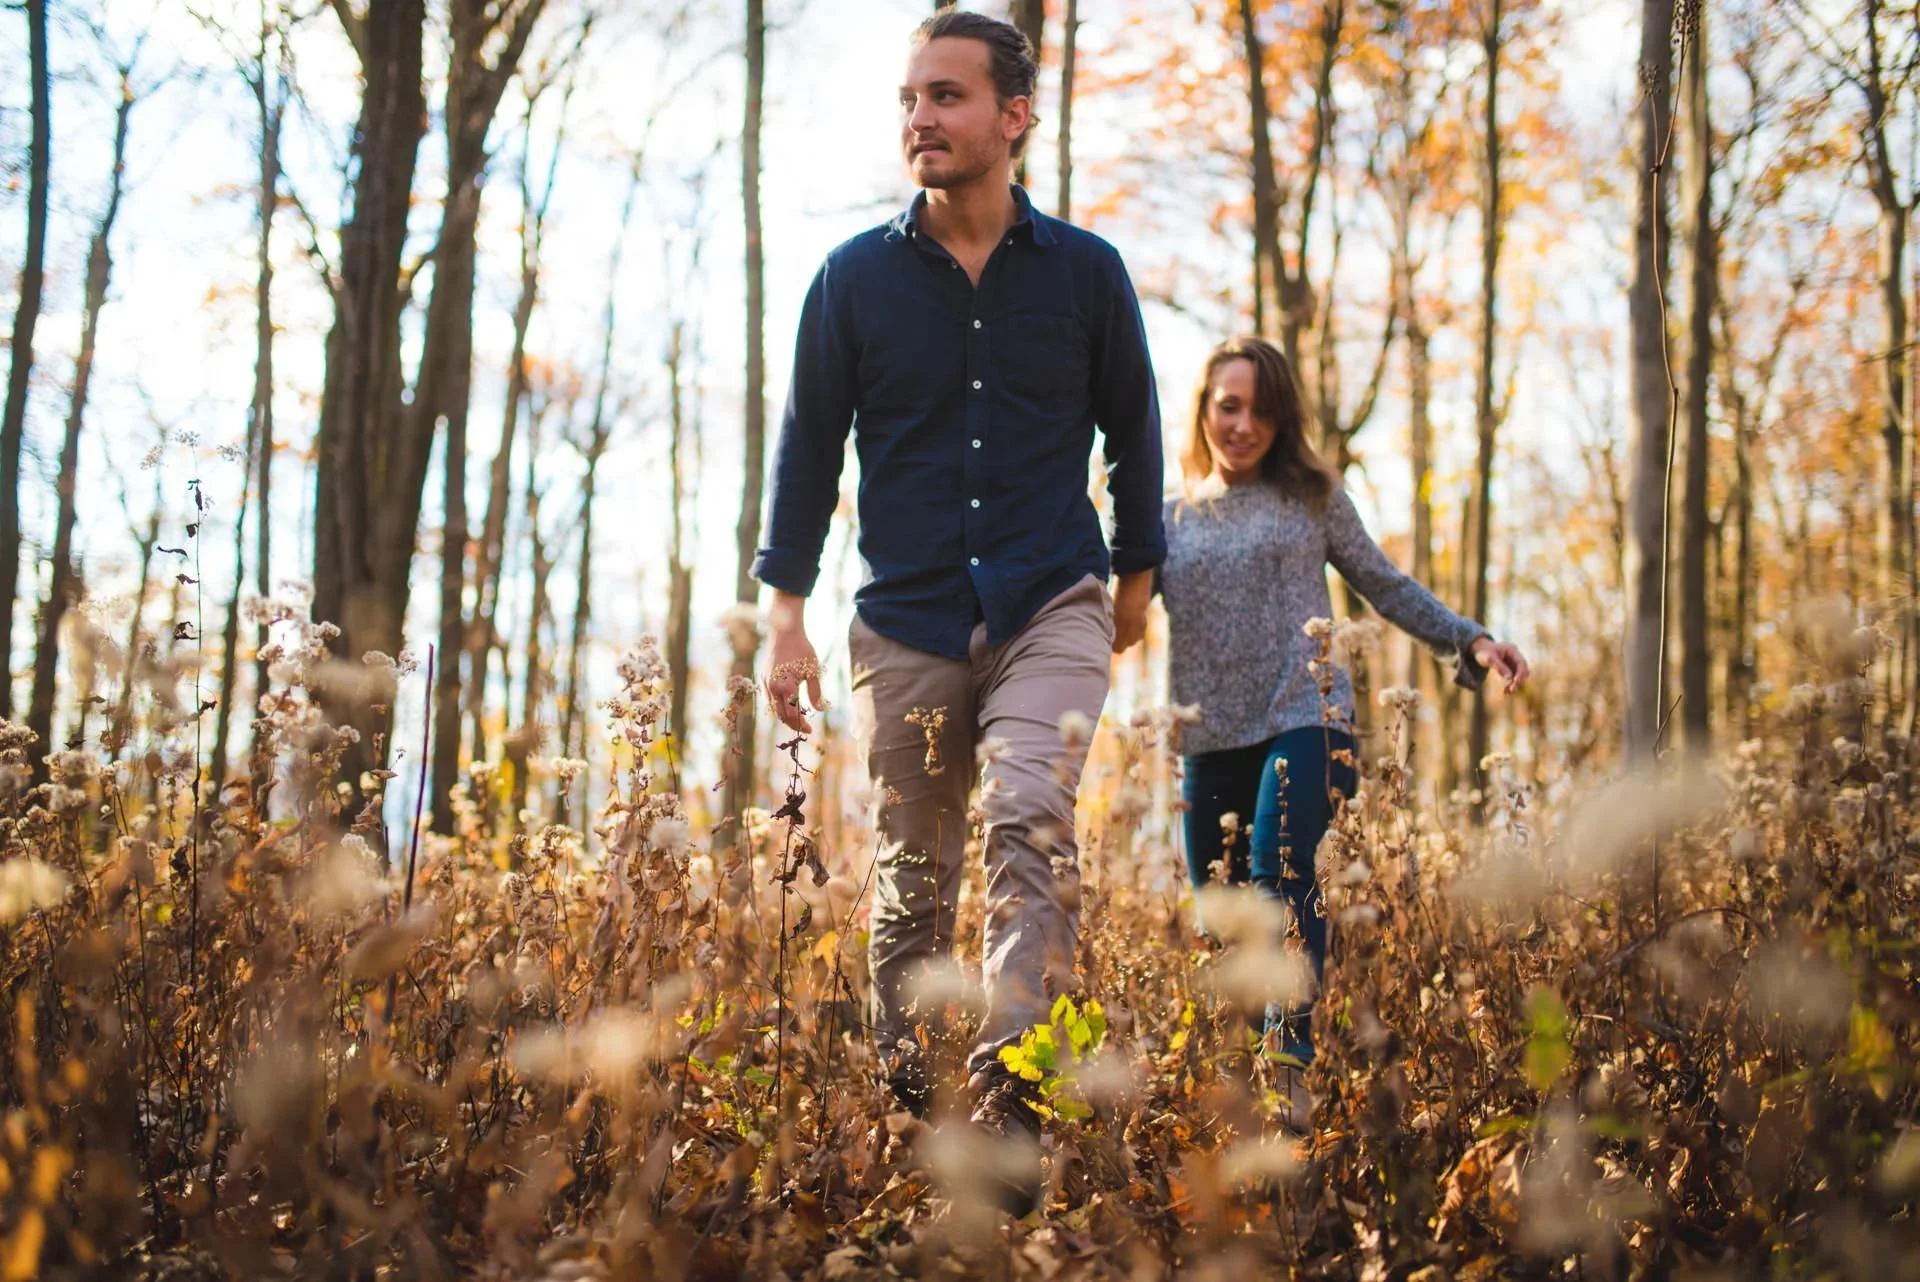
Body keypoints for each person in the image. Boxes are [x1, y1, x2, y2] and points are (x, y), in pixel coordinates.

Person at [754, 9, 1164, 1185]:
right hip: (909, 616)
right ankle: (905, 1101)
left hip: (1051, 599)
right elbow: (805, 452)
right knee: (915, 874)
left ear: (1015, 116)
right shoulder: (852, 280)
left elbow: (1136, 431)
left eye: (947, 96)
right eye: (909, 99)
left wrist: (1133, 585)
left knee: (1030, 824)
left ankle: (1013, 1106)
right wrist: (786, 614)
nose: (919, 119)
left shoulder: (1088, 274)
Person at [1158, 336, 1529, 1093]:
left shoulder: (1313, 500)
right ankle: (1242, 1100)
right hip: (1208, 733)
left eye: (1263, 411)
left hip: (1308, 713)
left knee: (1281, 868)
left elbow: (1385, 585)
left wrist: (1473, 640)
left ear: (1283, 419)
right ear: (1202, 410)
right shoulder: (1165, 520)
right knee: (1223, 920)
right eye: (1230, 407)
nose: (1244, 426)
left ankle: (1285, 1074)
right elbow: (1100, 601)